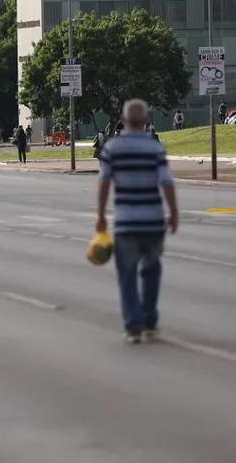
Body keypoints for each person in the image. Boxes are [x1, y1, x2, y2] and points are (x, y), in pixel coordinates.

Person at [97, 99, 179, 344]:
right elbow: (166, 182)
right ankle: (149, 321)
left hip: (125, 223)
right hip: (153, 221)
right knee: (151, 270)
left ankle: (133, 325)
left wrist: (100, 214)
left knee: (127, 275)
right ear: (146, 121)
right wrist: (173, 212)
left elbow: (104, 182)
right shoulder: (156, 149)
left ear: (123, 120)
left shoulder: (112, 148)